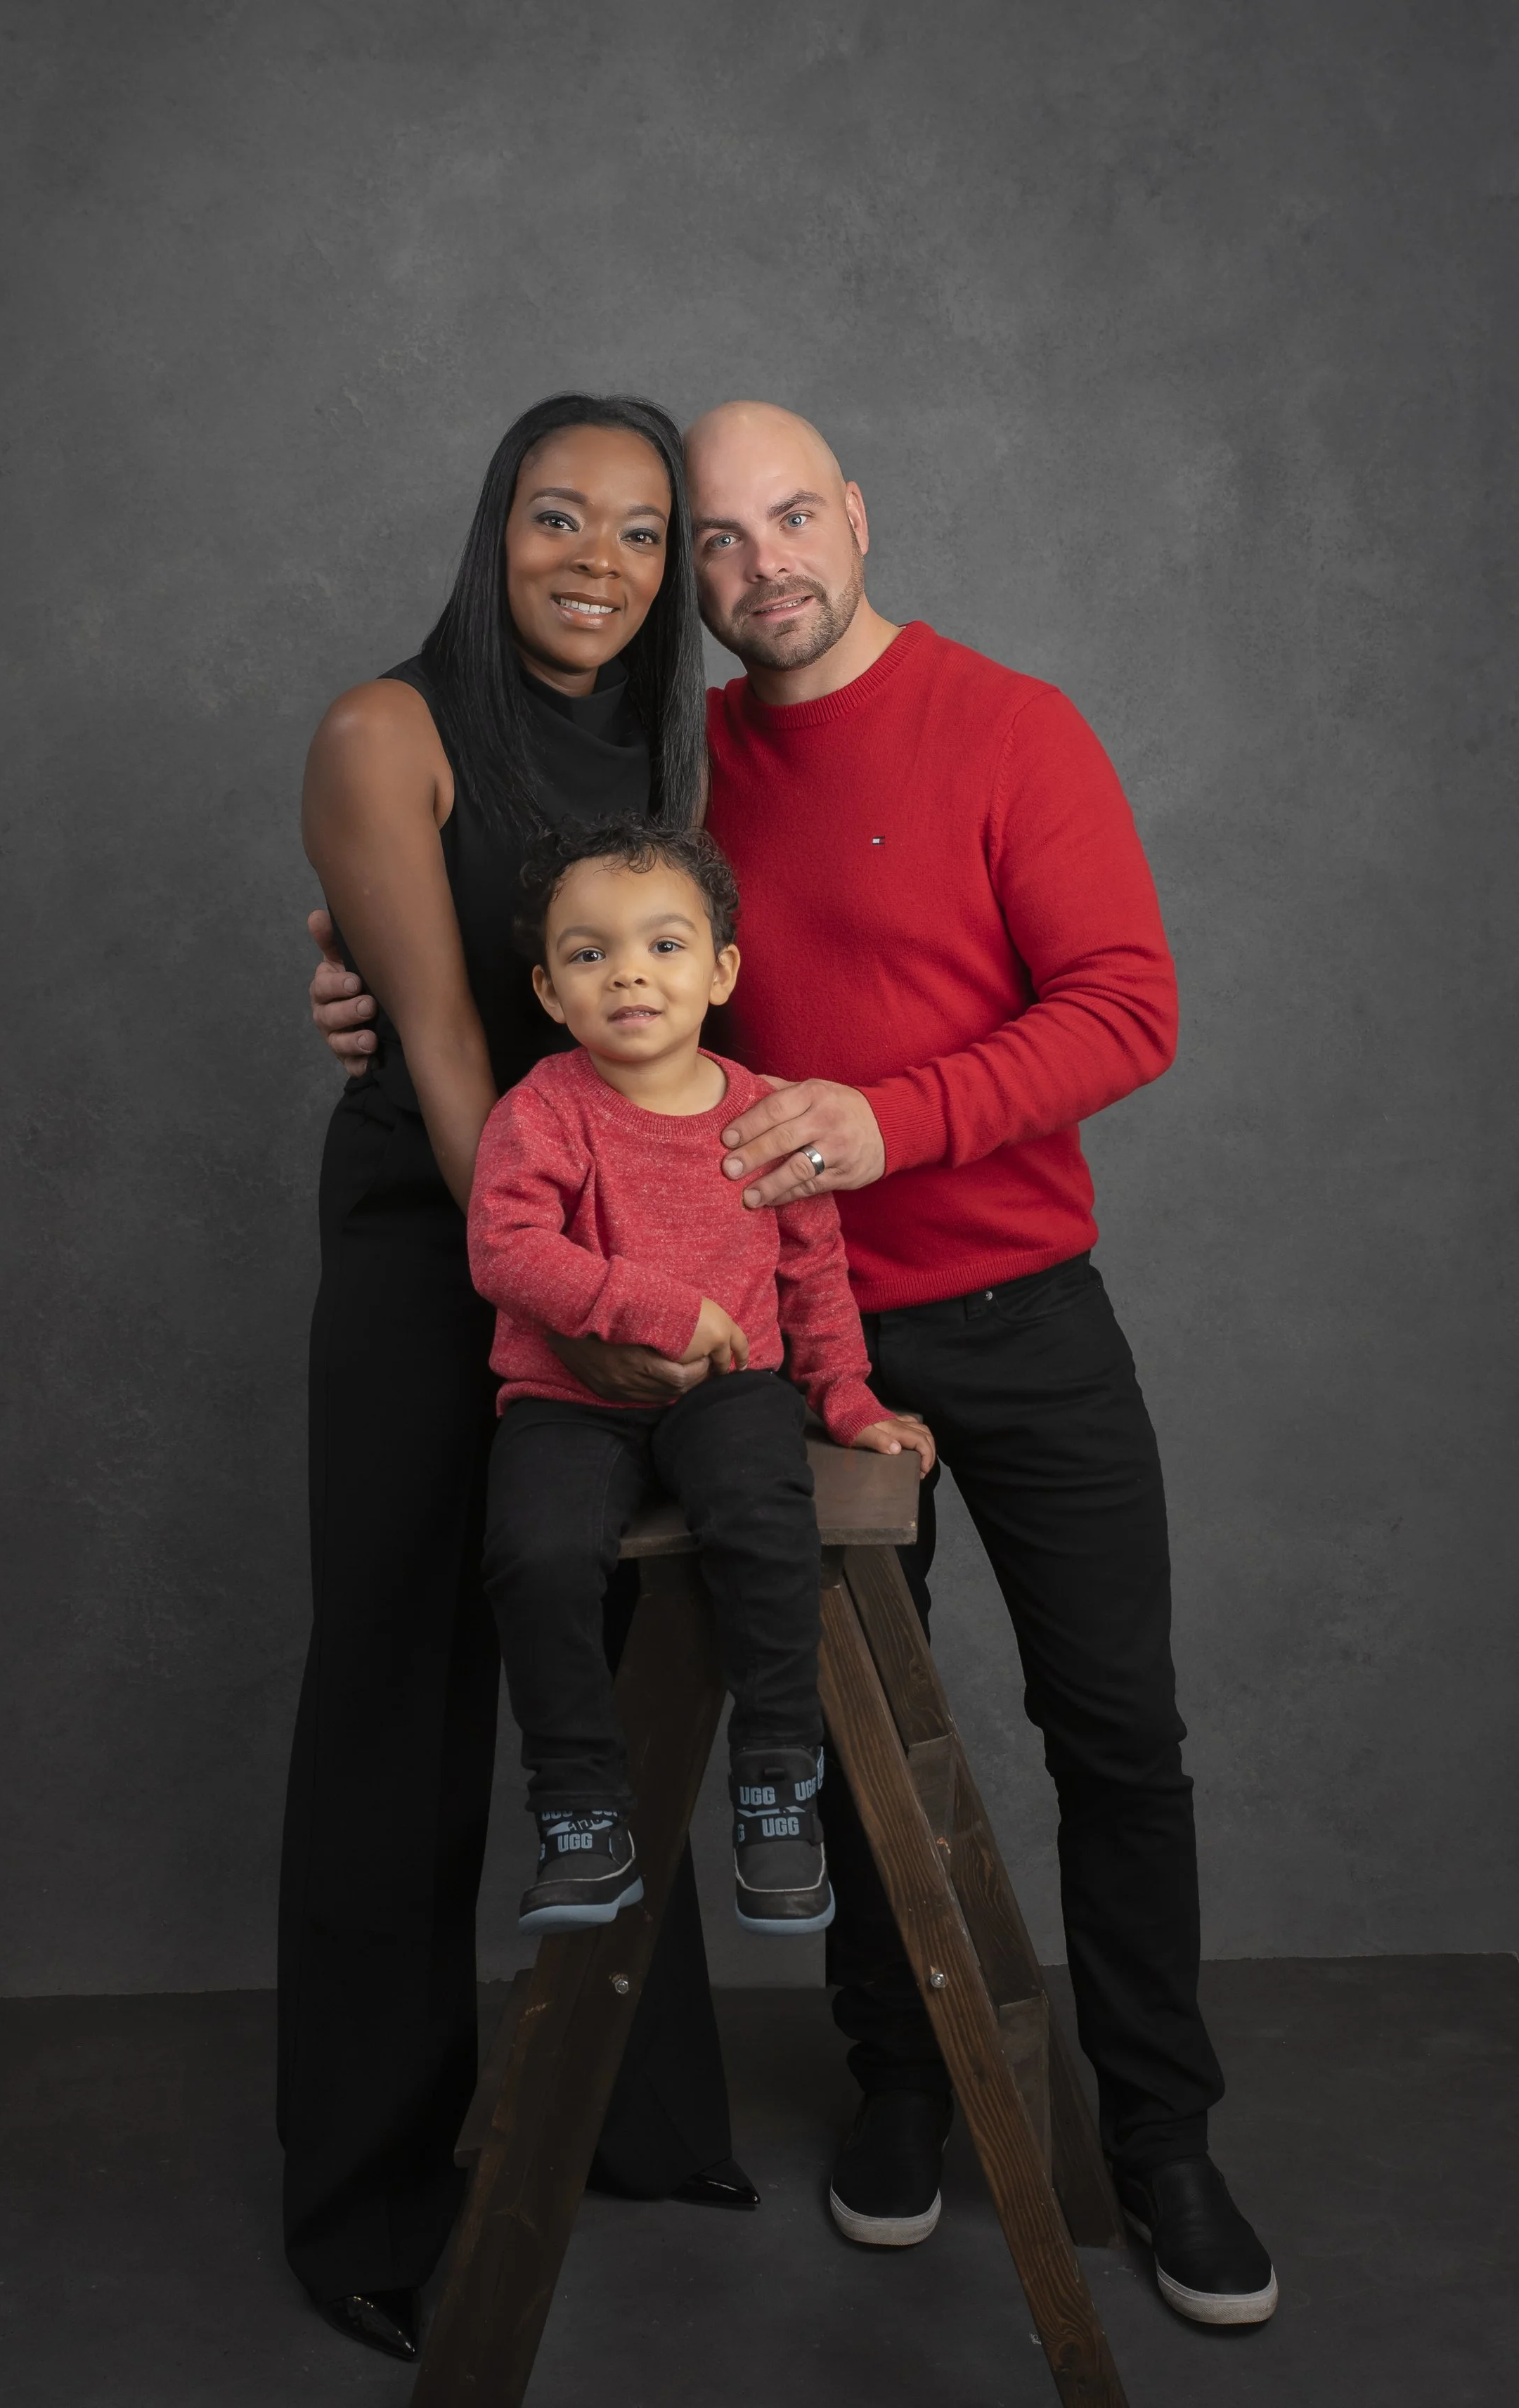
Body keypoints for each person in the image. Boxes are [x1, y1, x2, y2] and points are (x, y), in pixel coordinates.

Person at [309, 399, 1279, 2328]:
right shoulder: (685, 756)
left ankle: (1161, 2134)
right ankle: (899, 2088)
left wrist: (887, 1125)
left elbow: (1130, 1006)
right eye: (719, 544)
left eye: (778, 523)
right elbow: (554, 950)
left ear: (856, 516)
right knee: (826, 1718)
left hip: (1014, 1310)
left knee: (1114, 1736)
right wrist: (350, 958)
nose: (754, 569)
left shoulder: (1014, 727)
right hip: (768, 1335)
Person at [283, 394, 761, 2367]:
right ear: (495, 530)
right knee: (405, 1692)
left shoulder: (670, 746)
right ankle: (367, 2200)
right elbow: (458, 1065)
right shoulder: (382, 733)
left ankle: (632, 2123)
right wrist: (587, 1310)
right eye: (556, 517)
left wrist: (675, 1295)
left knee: (639, 1660)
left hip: (642, 1268)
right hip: (446, 1255)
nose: (597, 559)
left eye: (642, 534)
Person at [467, 820, 934, 1938]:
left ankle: (778, 1784)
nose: (629, 971)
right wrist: (661, 1305)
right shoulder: (543, 1110)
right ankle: (581, 1810)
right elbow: (507, 1250)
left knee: (764, 1517)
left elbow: (817, 1279)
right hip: (570, 1405)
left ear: (721, 971)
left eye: (665, 945)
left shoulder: (763, 1114)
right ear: (548, 989)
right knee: (534, 1549)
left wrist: (852, 1400)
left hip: (728, 1399)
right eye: (590, 955)